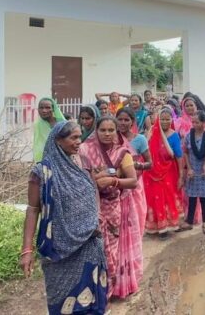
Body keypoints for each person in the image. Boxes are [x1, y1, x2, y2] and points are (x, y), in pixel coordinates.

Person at [20, 121, 108, 314]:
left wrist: (96, 216)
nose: (79, 142)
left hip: (89, 244)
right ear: (58, 141)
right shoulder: (41, 173)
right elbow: (33, 209)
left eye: (79, 137)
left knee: (90, 301)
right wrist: (26, 250)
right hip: (58, 249)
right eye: (73, 138)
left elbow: (93, 190)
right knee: (61, 300)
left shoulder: (82, 164)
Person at [79, 116, 139, 299]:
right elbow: (80, 179)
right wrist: (96, 180)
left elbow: (133, 181)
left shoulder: (122, 153)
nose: (107, 134)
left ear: (116, 131)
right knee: (94, 249)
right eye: (103, 130)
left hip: (112, 207)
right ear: (96, 131)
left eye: (111, 130)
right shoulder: (84, 150)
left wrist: (113, 181)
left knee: (110, 251)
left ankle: (108, 291)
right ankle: (93, 289)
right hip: (90, 207)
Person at [143, 107, 184, 239]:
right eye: (162, 119)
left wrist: (181, 176)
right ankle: (156, 226)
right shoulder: (151, 133)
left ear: (172, 119)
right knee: (154, 198)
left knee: (167, 198)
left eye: (167, 119)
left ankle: (166, 227)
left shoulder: (174, 135)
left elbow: (179, 156)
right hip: (151, 173)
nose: (165, 122)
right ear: (157, 120)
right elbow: (144, 153)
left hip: (169, 172)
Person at [116, 107, 152, 234]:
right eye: (120, 119)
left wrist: (137, 165)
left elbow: (150, 163)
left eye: (126, 120)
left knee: (135, 219)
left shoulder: (140, 139)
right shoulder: (112, 138)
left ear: (132, 122)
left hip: (134, 186)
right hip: (116, 185)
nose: (123, 123)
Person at [179, 111, 205, 234]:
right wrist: (189, 168)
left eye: (197, 122)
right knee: (192, 196)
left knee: (204, 197)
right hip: (193, 169)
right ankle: (189, 221)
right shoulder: (189, 135)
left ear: (203, 122)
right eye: (193, 122)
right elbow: (185, 152)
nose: (194, 124)